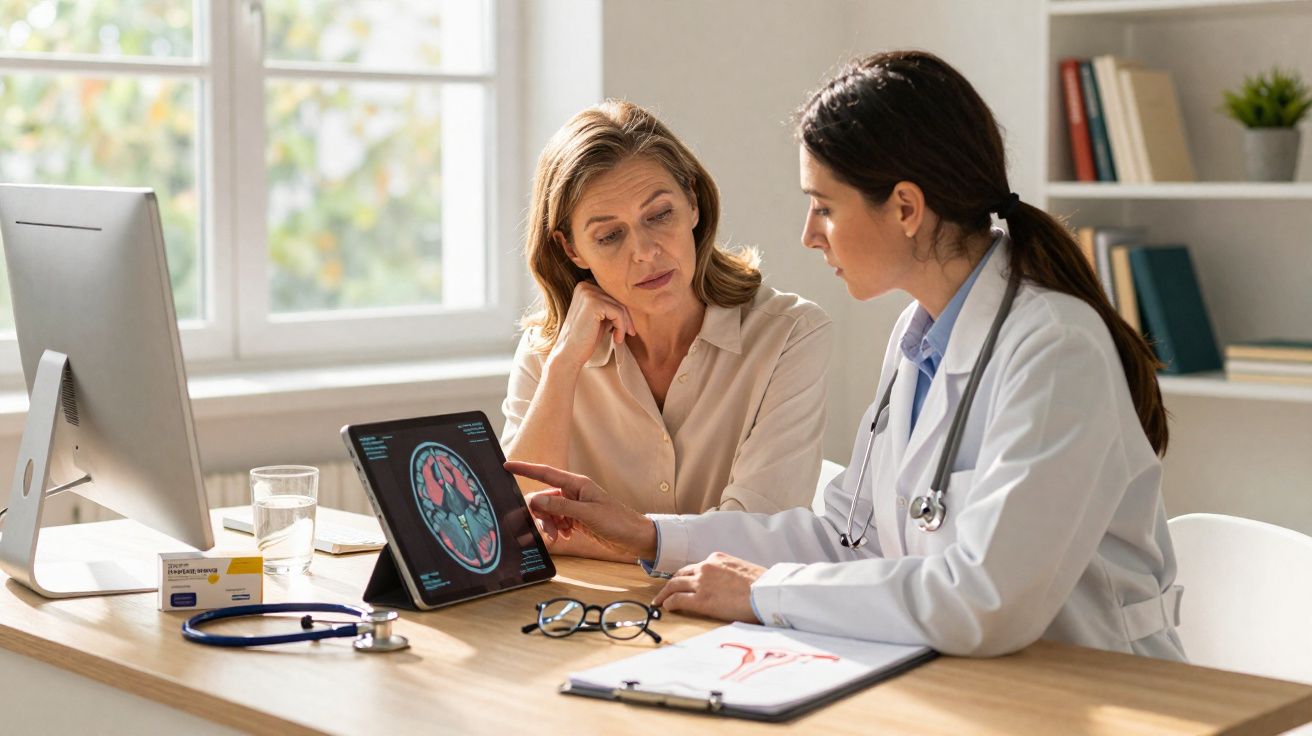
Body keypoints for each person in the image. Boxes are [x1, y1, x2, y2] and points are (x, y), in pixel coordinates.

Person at [506, 51, 1186, 660]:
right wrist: (649, 535)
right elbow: (849, 537)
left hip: (1094, 685)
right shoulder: (920, 335)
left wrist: (766, 592)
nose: (807, 235)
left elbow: (987, 601)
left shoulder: (1054, 346)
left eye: (823, 207)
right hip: (967, 678)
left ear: (906, 208)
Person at [502, 101, 834, 559]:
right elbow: (512, 530)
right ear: (572, 249)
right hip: (589, 615)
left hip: (730, 621)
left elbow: (760, 537)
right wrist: (563, 366)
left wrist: (607, 536)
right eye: (609, 236)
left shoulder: (790, 335)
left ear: (693, 203)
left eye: (659, 216)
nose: (645, 251)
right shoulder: (547, 350)